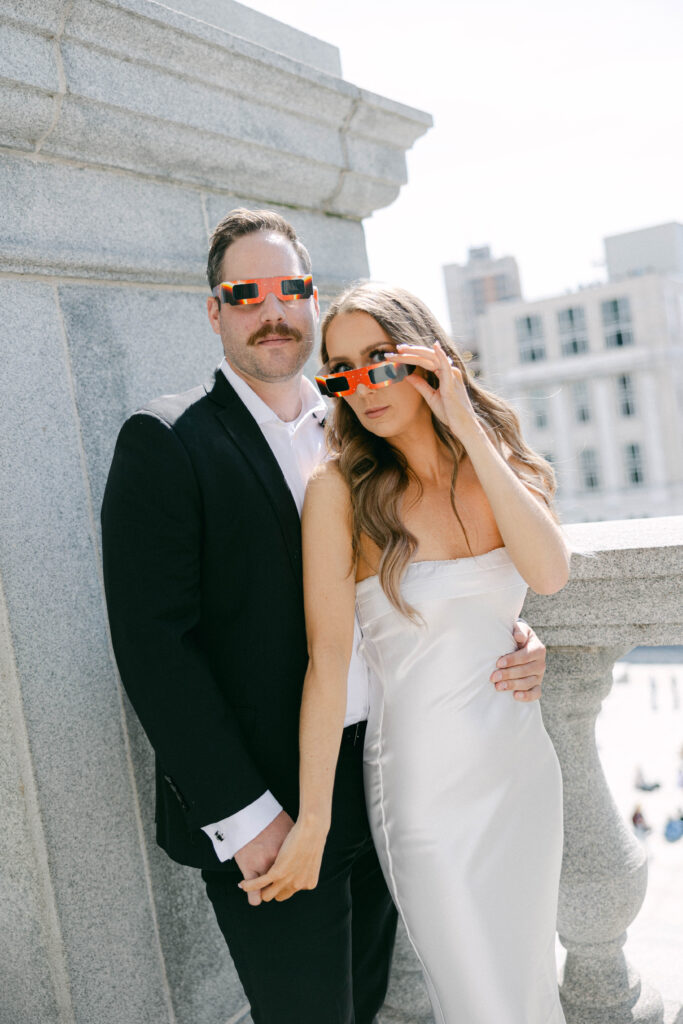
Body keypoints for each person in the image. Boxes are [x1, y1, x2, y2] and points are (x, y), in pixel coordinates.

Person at [101, 211, 551, 1024]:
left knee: (377, 1000)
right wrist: (249, 820)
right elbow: (153, 650)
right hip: (273, 807)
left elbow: (434, 578)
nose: (270, 311)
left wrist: (506, 635)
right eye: (245, 294)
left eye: (289, 290)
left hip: (400, 770)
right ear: (214, 312)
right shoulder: (166, 441)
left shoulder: (363, 428)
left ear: (311, 301)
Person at [243, 282, 569, 1024]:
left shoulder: (494, 465)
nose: (360, 385)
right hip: (423, 796)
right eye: (340, 372)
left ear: (429, 358)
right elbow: (327, 665)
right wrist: (314, 828)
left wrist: (464, 425)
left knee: (526, 994)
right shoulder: (340, 492)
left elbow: (546, 575)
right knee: (480, 1002)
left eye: (379, 360)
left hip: (520, 776)